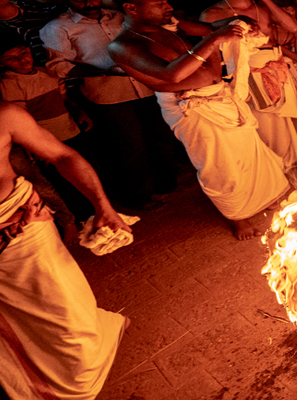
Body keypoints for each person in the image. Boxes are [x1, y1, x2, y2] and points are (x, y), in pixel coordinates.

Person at [107, 0, 289, 240]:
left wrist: (240, 23)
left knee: (248, 152)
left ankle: (263, 198)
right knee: (220, 165)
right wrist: (214, 40)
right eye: (159, 2)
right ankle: (237, 217)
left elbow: (213, 27)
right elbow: (171, 74)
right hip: (189, 106)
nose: (168, 5)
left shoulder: (170, 23)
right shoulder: (122, 45)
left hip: (217, 94)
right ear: (132, 8)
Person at [0, 102, 130, 400]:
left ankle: (80, 378)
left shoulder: (5, 116)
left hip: (23, 230)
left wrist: (103, 206)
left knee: (67, 315)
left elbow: (63, 155)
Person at [39, 0, 184, 210]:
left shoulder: (119, 16)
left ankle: (166, 185)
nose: (89, 3)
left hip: (147, 86)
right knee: (129, 147)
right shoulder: (57, 28)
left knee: (161, 136)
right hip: (108, 95)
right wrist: (104, 72)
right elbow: (58, 66)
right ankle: (140, 197)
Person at [1, 40, 100, 239]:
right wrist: (34, 148)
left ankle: (96, 211)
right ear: (2, 64)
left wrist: (78, 111)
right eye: (11, 59)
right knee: (64, 183)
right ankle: (80, 219)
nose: (21, 61)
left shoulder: (46, 72)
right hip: (46, 142)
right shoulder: (9, 84)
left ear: (29, 50)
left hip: (70, 130)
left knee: (85, 170)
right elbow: (21, 121)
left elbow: (63, 98)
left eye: (23, 54)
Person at [201, 0, 297, 170]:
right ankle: (277, 168)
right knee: (269, 127)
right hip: (251, 78)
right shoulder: (212, 14)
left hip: (280, 69)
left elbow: (293, 28)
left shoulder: (262, 7)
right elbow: (212, 52)